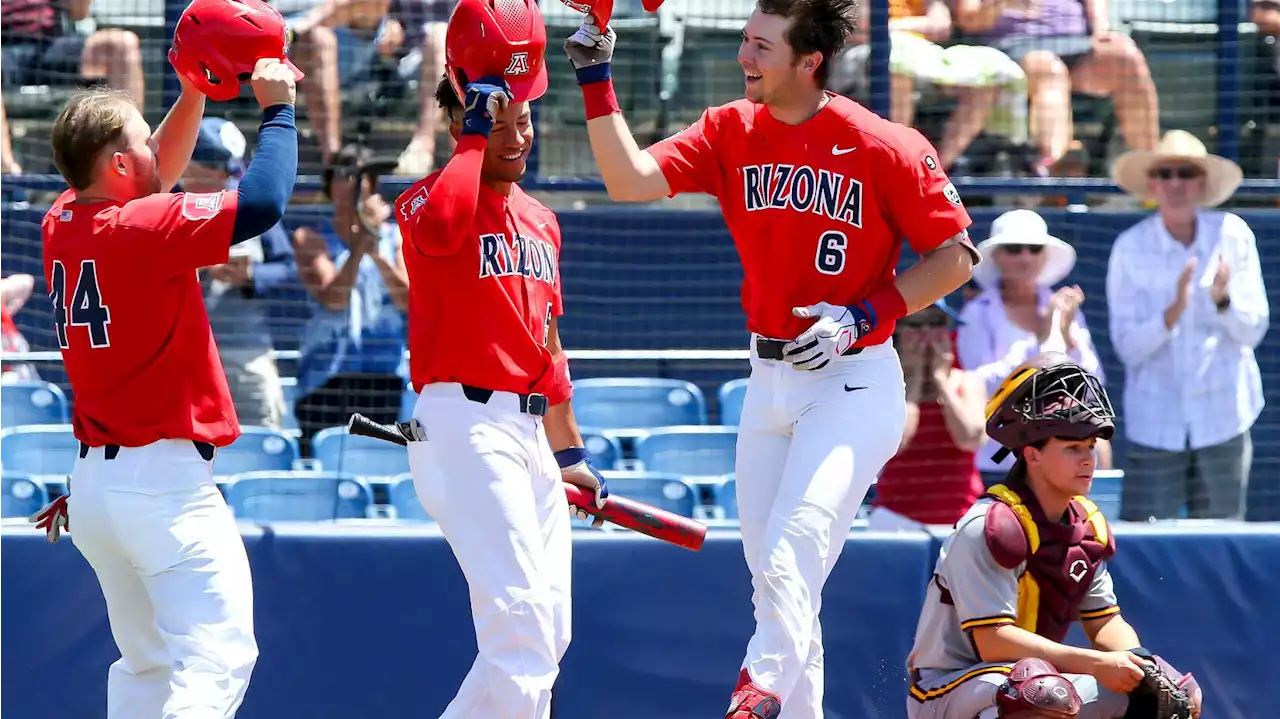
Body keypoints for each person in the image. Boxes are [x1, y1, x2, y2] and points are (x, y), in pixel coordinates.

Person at [562, 0, 980, 715]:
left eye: (760, 45)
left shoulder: (883, 143)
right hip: (768, 380)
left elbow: (957, 257)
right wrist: (597, 72)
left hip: (853, 377)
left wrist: (864, 313)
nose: (743, 56)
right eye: (744, 40)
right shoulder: (731, 128)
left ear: (808, 60)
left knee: (794, 549)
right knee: (780, 585)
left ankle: (754, 690)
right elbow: (628, 180)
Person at [29, 7, 301, 712]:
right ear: (119, 164)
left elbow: (149, 178)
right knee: (218, 654)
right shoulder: (142, 228)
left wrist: (194, 92)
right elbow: (266, 201)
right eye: (142, 142)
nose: (156, 149)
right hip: (160, 485)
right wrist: (279, 112)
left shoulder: (63, 218)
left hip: (96, 488)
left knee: (147, 668)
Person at [391, 0, 608, 717]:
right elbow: (449, 222)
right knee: (520, 633)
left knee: (547, 634)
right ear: (462, 121)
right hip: (462, 422)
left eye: (525, 120)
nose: (520, 135)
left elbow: (549, 349)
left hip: (527, 434)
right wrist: (474, 134)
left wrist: (570, 452)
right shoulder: (427, 200)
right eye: (503, 120)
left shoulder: (542, 220)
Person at [903, 353, 1204, 719]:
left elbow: (1104, 622)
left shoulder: (1085, 527)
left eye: (1091, 446)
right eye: (1073, 447)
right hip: (946, 689)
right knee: (1040, 693)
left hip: (1028, 678)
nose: (1088, 459)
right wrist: (1095, 663)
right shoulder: (990, 524)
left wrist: (1142, 667)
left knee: (1171, 698)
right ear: (1032, 454)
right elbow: (994, 641)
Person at [1106, 130, 1268, 521]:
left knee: (1224, 548)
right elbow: (1127, 347)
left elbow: (1254, 330)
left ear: (1201, 182)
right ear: (1151, 184)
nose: (1175, 183)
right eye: (1165, 173)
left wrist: (1222, 301)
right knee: (1145, 551)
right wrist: (1172, 312)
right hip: (1155, 421)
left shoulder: (1234, 234)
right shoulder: (1129, 247)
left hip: (1224, 416)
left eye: (1185, 172)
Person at [956, 208, 1107, 485]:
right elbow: (979, 388)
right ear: (997, 257)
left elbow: (1093, 385)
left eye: (1034, 248)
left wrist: (1067, 337)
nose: (1025, 257)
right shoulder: (976, 314)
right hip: (998, 462)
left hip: (1061, 463)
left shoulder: (1064, 309)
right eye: (1014, 249)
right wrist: (1037, 342)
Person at [292, 141, 410, 456]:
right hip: (324, 378)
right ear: (329, 185)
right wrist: (360, 247)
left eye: (359, 178)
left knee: (375, 460)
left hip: (381, 376)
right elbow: (334, 299)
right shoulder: (310, 238)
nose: (350, 186)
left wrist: (375, 248)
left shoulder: (395, 238)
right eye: (342, 176)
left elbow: (409, 301)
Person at [186, 117, 296, 430]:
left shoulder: (247, 205)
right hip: (187, 356)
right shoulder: (167, 204)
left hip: (247, 352)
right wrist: (201, 267)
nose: (229, 180)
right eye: (222, 171)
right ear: (191, 167)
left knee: (263, 439)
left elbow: (288, 269)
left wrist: (251, 277)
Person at [869, 299, 986, 530]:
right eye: (915, 325)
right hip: (895, 520)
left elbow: (970, 438)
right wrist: (913, 383)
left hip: (959, 517)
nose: (926, 333)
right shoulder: (881, 385)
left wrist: (941, 381)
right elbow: (892, 444)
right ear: (898, 331)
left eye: (936, 323)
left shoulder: (967, 382)